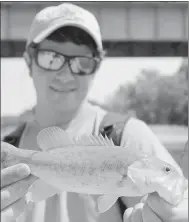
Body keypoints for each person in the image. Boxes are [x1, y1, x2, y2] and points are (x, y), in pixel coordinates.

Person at [1, 3, 188, 222]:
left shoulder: (128, 136)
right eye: (51, 58)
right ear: (28, 61)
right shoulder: (6, 153)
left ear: (97, 66)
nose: (65, 74)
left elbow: (180, 195)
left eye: (82, 62)